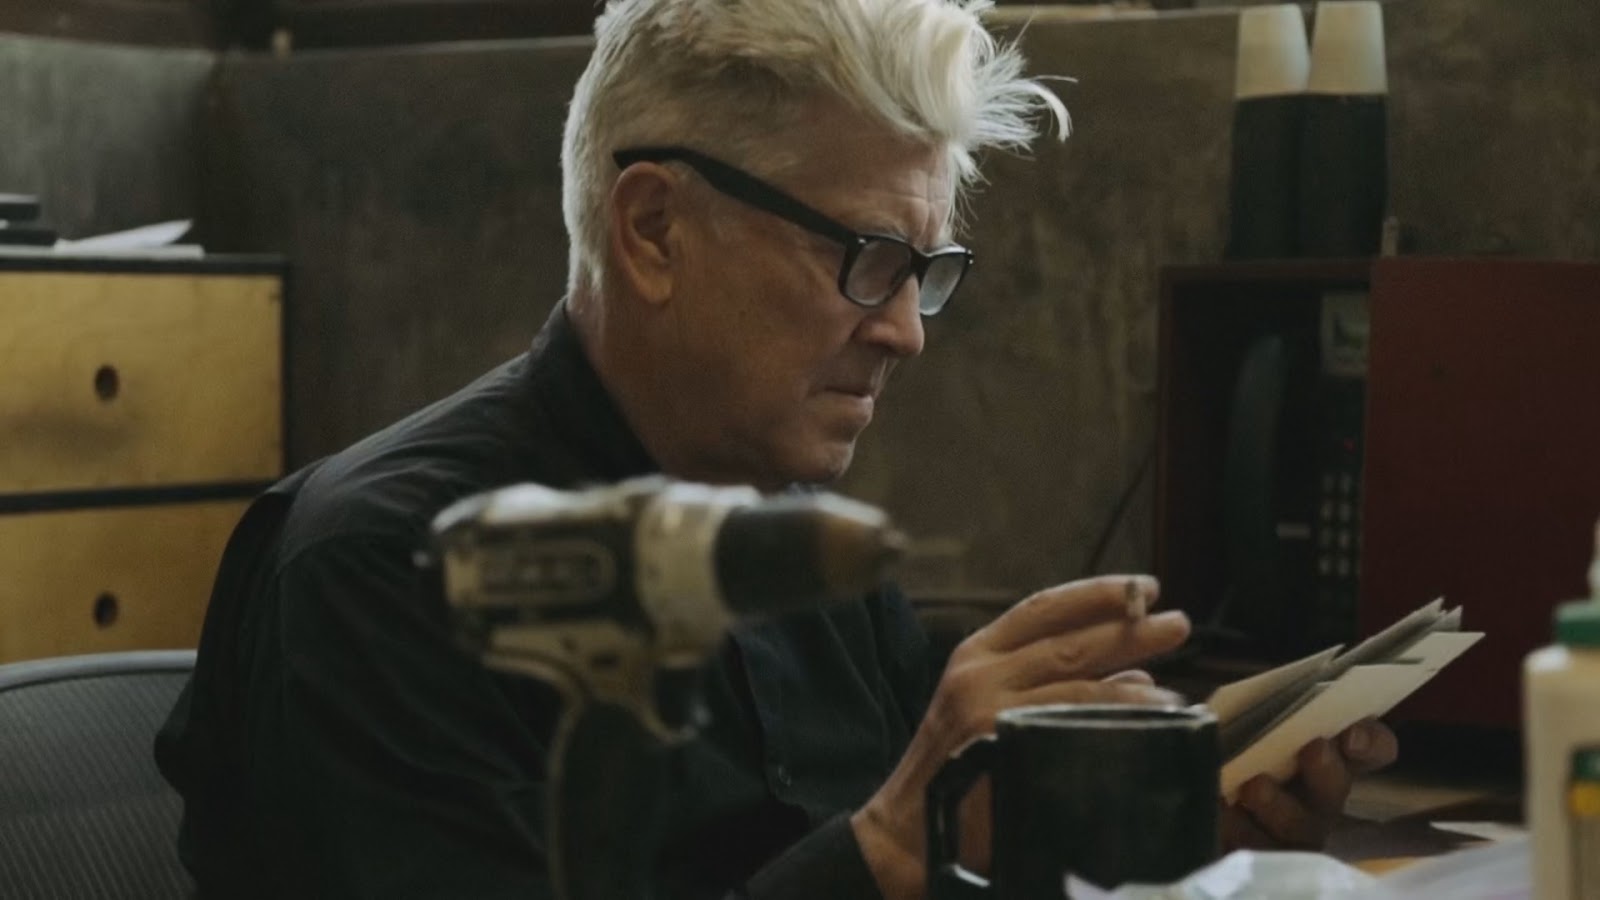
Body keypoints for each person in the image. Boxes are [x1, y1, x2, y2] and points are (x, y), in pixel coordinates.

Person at [156, 1, 1398, 898]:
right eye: (866, 258)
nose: (906, 331)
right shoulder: (381, 572)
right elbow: (888, 855)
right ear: (653, 230)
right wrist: (891, 847)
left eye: (926, 272)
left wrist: (1148, 845)